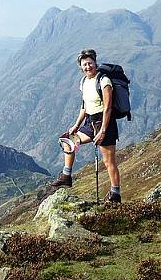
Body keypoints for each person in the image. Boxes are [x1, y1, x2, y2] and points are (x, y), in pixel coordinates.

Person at [51, 49, 121, 203]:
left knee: (108, 161)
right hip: (90, 121)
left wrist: (103, 131)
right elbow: (84, 106)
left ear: (95, 63)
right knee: (68, 140)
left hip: (105, 123)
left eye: (90, 63)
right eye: (84, 64)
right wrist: (76, 126)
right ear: (81, 67)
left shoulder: (104, 81)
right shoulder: (84, 82)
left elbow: (108, 108)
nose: (88, 66)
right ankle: (66, 176)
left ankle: (115, 194)